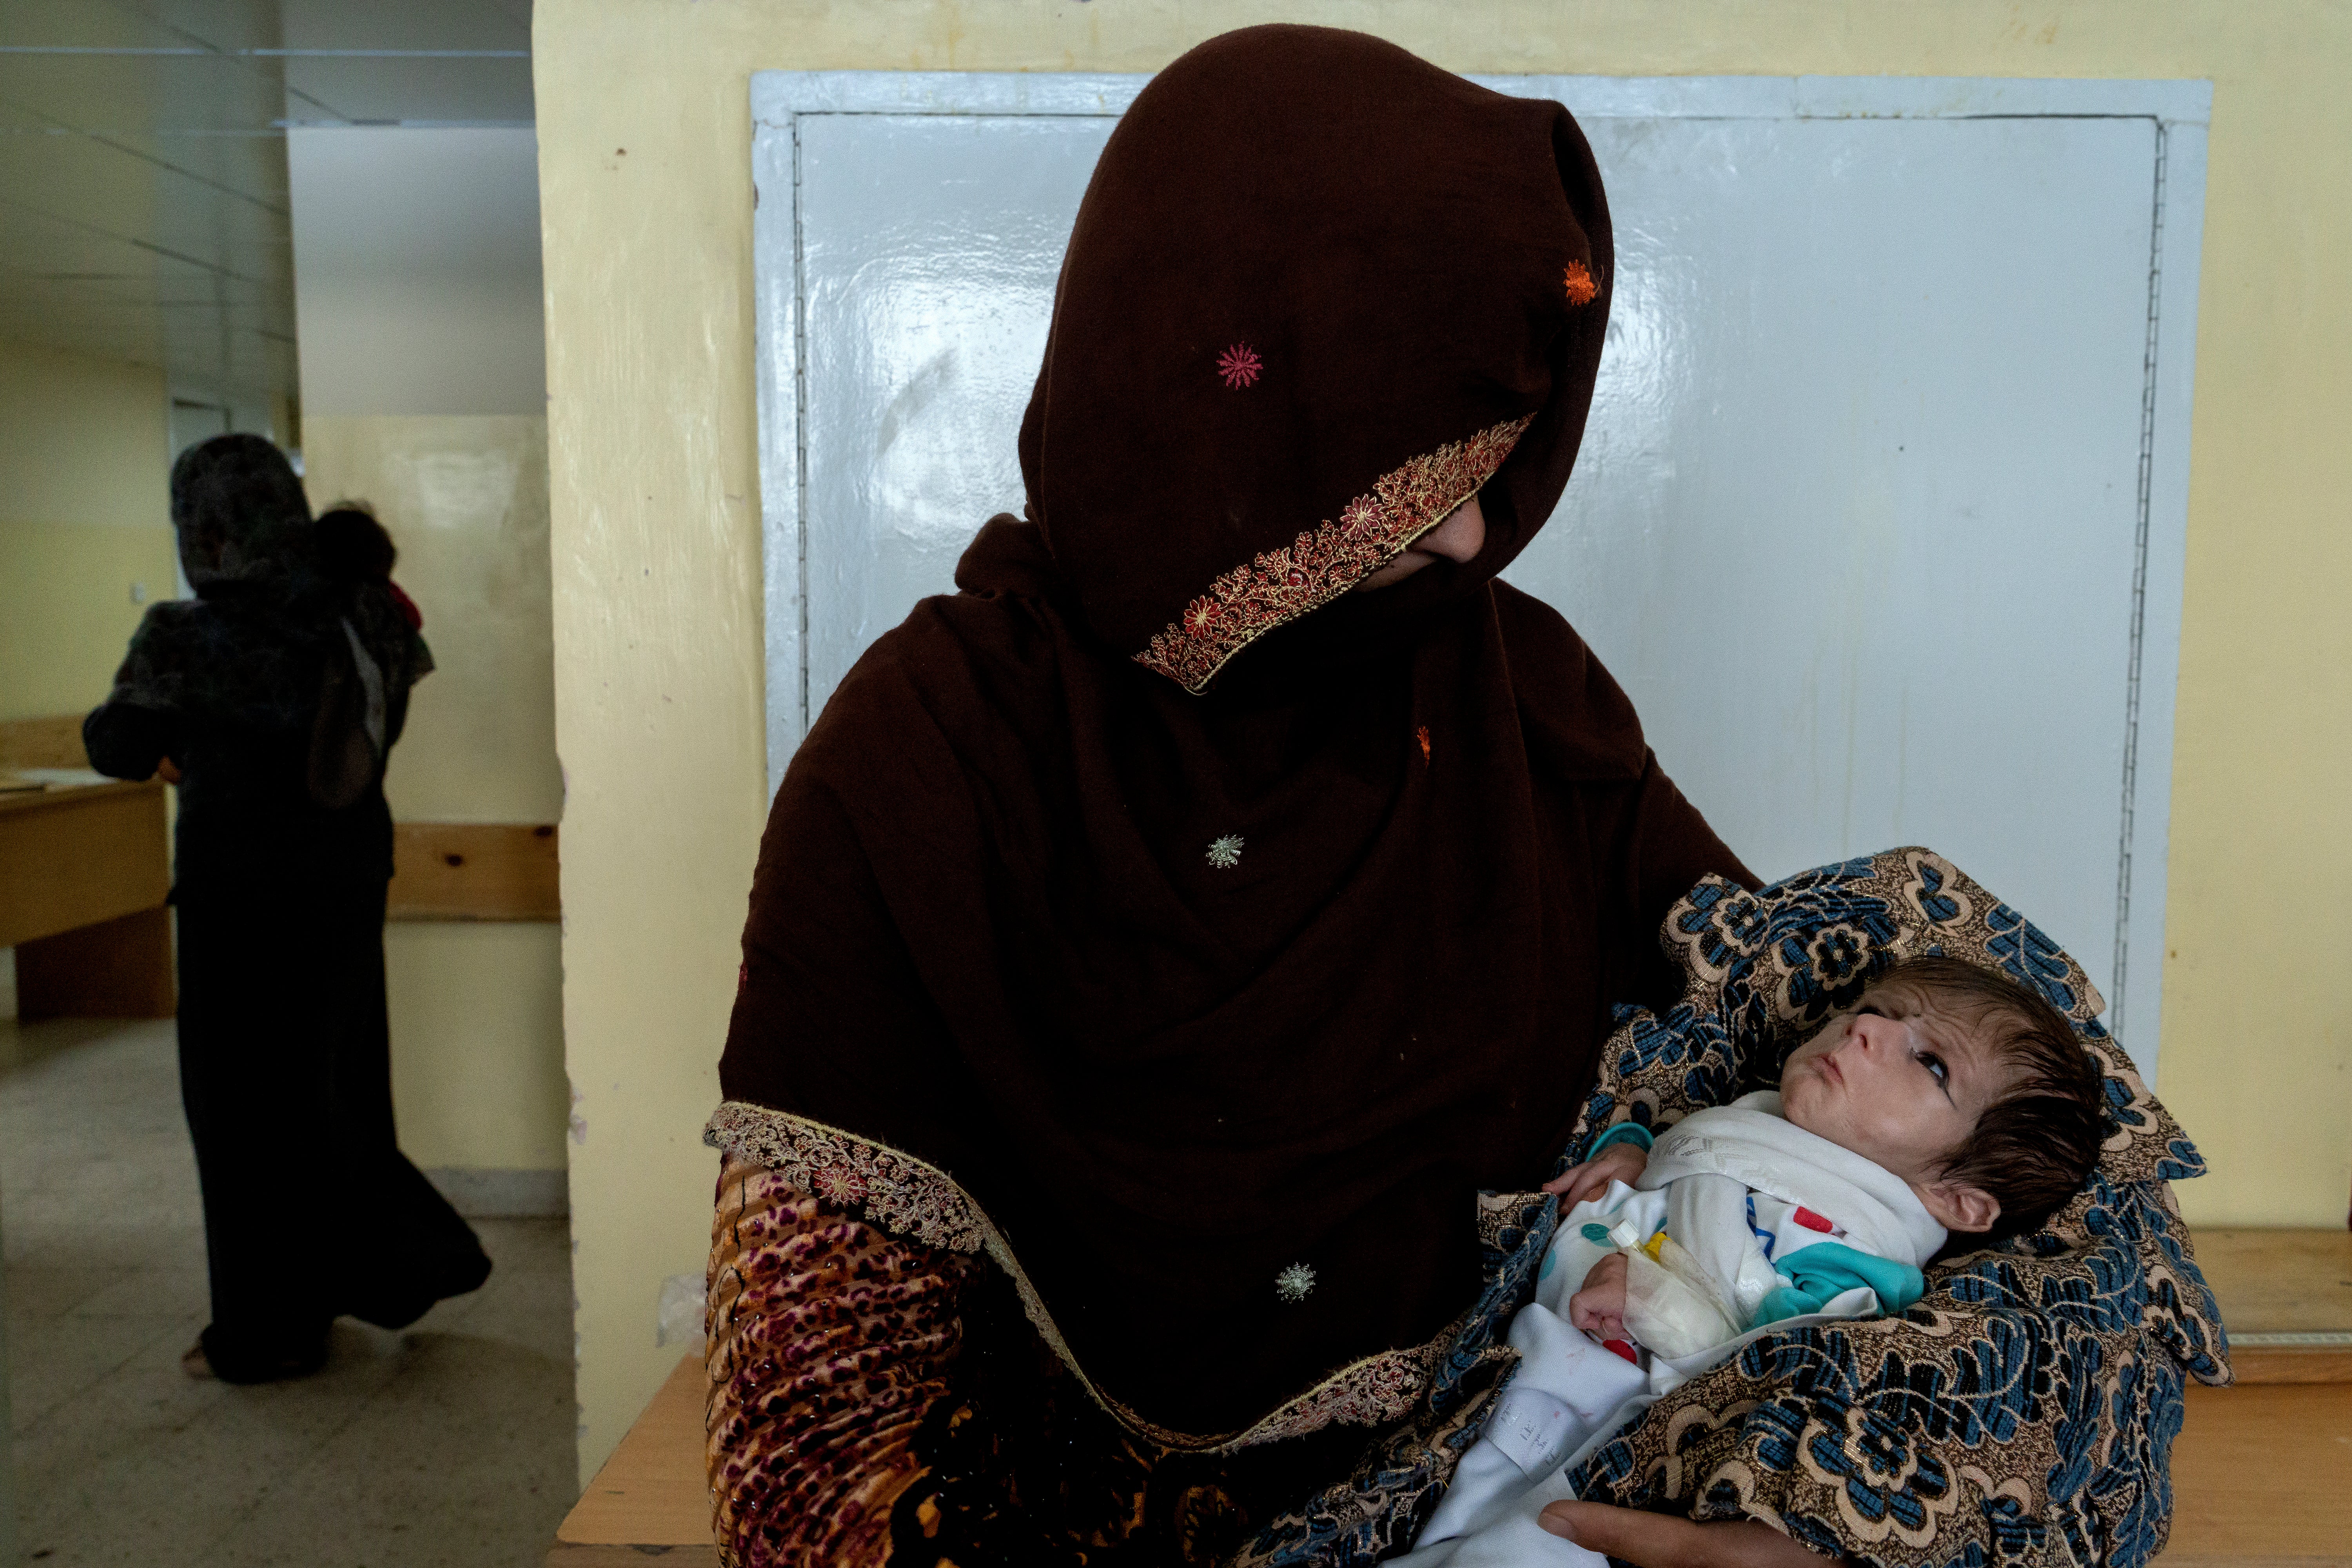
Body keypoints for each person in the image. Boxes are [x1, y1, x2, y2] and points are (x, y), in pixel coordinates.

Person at [702, 25, 1765, 1565]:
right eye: (1409, 460)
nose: (1471, 542)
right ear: (1220, 396)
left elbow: (1896, 1056)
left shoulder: (1512, 694)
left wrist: (1809, 1509)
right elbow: (808, 1452)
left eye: (1497, 462)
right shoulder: (937, 757)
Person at [1402, 956, 2106, 1565]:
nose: (1868, 1029)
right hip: (1519, 1373)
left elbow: (1751, 1359)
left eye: (1930, 1062)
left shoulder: (1855, 1258)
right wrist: (1631, 1153)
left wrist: (1645, 1293)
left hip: (1600, 1430)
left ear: (1957, 1197)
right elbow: (1689, 1168)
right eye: (1877, 1010)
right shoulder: (1768, 1123)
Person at [84, 434, 490, 1383]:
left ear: (203, 525)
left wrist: (174, 738)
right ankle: (378, 1269)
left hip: (235, 909)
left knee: (240, 1119)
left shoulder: (185, 635)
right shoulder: (369, 613)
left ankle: (268, 1330)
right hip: (345, 892)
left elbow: (116, 744)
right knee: (332, 1092)